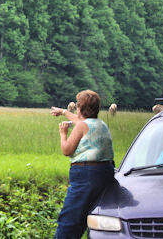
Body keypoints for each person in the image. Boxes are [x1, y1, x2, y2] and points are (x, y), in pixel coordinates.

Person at [50, 90, 115, 238]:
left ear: (79, 108)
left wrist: (63, 133)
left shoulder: (80, 126)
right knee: (90, 214)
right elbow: (82, 121)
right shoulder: (102, 124)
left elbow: (67, 150)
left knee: (70, 219)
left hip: (86, 174)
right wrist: (63, 112)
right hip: (106, 172)